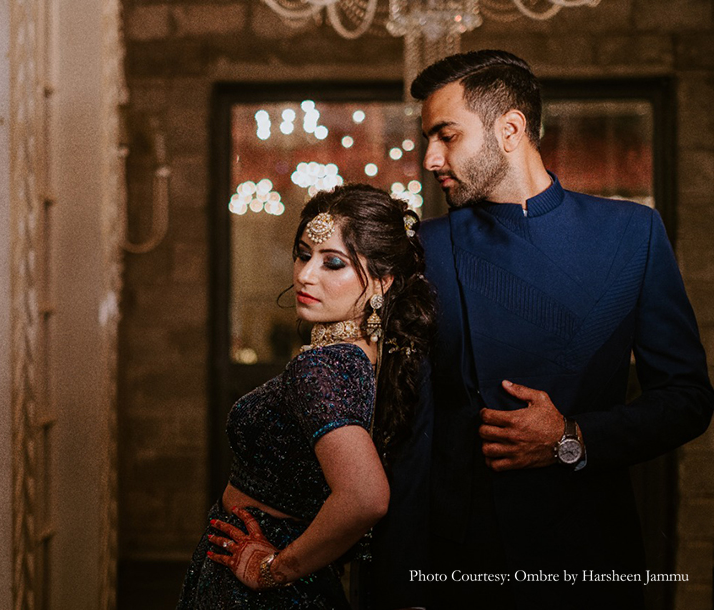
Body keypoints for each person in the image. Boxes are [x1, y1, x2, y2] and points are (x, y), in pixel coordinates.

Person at [372, 49, 714, 610]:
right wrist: (401, 587)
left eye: (447, 136)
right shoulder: (425, 249)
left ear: (510, 129)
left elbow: (687, 399)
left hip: (588, 551)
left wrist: (571, 437)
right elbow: (406, 431)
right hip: (461, 562)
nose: (431, 158)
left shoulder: (632, 233)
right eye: (428, 139)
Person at [177, 184, 435, 608]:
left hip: (256, 585)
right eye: (303, 254)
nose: (305, 275)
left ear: (382, 282)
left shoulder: (319, 368)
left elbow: (366, 497)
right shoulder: (369, 359)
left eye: (332, 263)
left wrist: (273, 569)